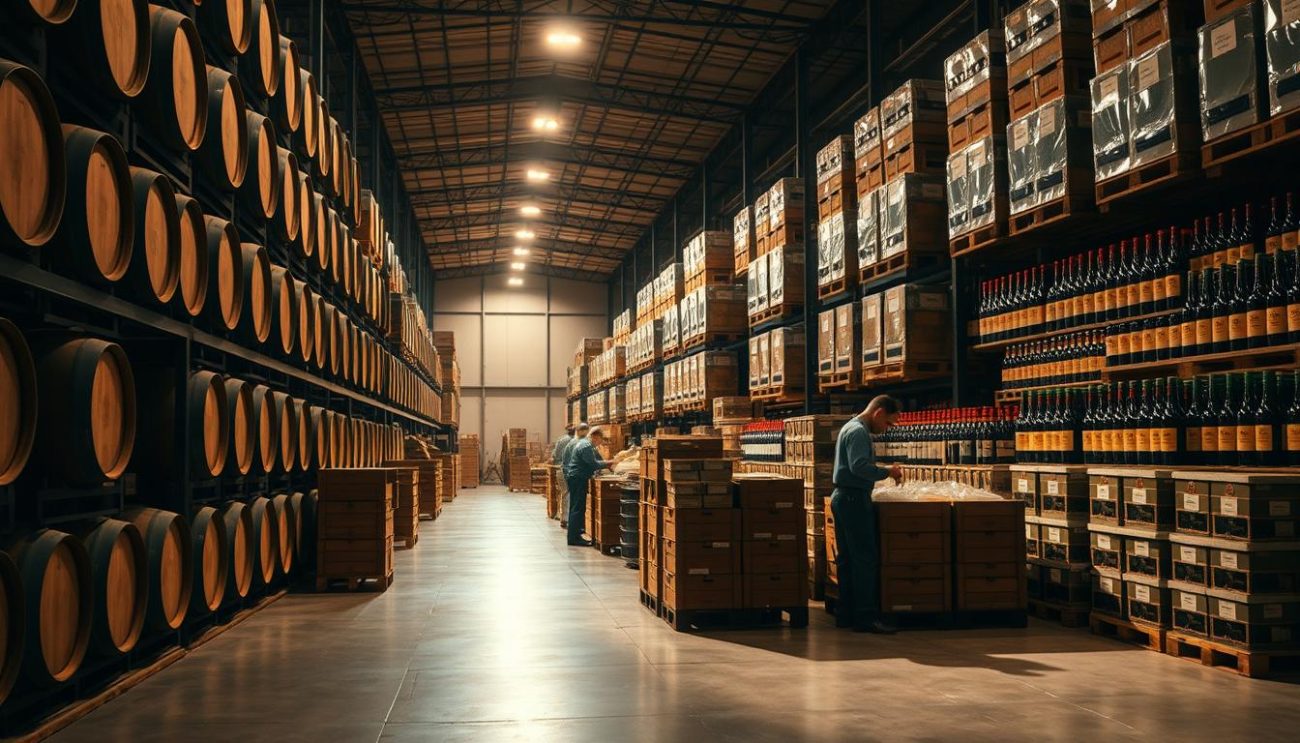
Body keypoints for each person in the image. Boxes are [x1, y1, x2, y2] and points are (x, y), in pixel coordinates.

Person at [831, 395, 903, 634]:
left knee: (847, 559)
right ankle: (866, 617)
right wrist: (887, 472)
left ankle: (846, 614)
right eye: (889, 423)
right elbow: (859, 466)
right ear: (879, 413)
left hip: (843, 497)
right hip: (853, 499)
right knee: (864, 559)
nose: (886, 430)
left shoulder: (850, 427)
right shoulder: (859, 432)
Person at [563, 425, 612, 546]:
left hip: (576, 478)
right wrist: (609, 463)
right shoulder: (586, 446)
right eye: (601, 439)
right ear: (595, 436)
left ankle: (574, 535)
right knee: (577, 508)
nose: (600, 443)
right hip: (578, 478)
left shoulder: (584, 444)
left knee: (576, 507)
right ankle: (574, 538)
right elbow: (593, 464)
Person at [559, 423, 590, 529]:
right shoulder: (578, 443)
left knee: (567, 495)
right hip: (570, 473)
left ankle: (565, 519)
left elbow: (559, 455)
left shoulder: (569, 442)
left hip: (564, 470)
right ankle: (571, 522)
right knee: (572, 497)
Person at [550, 425, 576, 522]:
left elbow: (554, 454)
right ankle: (565, 518)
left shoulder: (561, 440)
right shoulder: (574, 442)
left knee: (562, 492)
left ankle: (559, 514)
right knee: (567, 493)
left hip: (559, 468)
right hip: (567, 469)